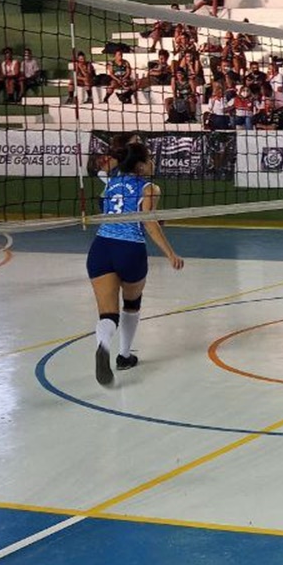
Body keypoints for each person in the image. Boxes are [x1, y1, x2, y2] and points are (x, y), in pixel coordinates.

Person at [87, 138, 184, 385]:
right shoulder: (150, 188)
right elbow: (149, 224)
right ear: (140, 166)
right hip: (130, 250)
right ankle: (124, 355)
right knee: (132, 304)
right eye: (149, 159)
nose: (152, 163)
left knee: (107, 314)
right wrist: (171, 254)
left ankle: (103, 344)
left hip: (101, 248)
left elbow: (107, 206)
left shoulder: (111, 184)